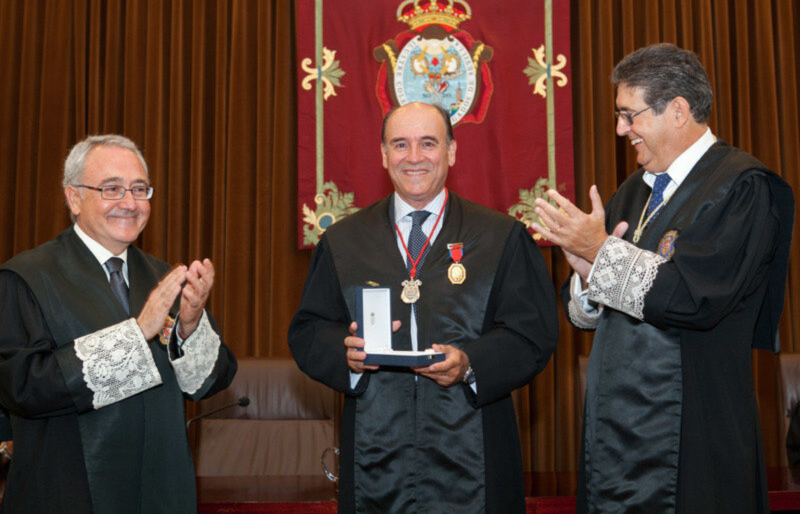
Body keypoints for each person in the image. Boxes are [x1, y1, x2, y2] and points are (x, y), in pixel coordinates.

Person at [532, 43, 795, 513]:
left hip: (693, 431)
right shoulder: (635, 190)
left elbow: (694, 298)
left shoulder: (742, 187)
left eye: (629, 115)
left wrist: (600, 251)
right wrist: (589, 274)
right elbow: (590, 316)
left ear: (677, 110)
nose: (620, 130)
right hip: (619, 436)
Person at [289, 101, 558, 514]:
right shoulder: (343, 242)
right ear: (383, 155)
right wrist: (346, 354)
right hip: (376, 459)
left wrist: (471, 362)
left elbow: (532, 333)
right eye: (400, 144)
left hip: (474, 455)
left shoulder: (501, 236)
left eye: (428, 143)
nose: (413, 157)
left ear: (451, 151)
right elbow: (309, 330)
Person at [0, 135, 237, 514]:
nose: (129, 203)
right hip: (67, 493)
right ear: (74, 198)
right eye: (112, 189)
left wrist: (189, 329)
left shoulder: (165, 278)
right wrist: (135, 334)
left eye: (139, 189)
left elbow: (209, 384)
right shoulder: (25, 278)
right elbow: (22, 387)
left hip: (162, 492)